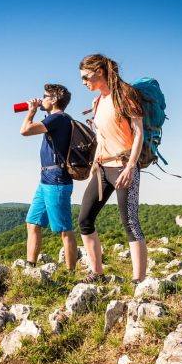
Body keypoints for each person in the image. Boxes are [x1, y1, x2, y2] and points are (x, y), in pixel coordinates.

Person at [77, 53, 147, 284]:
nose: (84, 83)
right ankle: (97, 272)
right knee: (85, 219)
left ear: (99, 70)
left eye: (86, 77)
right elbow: (100, 135)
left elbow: (138, 132)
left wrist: (130, 166)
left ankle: (138, 281)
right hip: (102, 168)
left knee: (130, 222)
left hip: (123, 166)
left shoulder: (125, 95)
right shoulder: (97, 102)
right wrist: (95, 162)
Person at [20, 83, 77, 271]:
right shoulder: (56, 119)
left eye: (44, 96)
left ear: (53, 100)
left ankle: (70, 273)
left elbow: (25, 130)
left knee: (64, 230)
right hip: (46, 179)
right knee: (33, 222)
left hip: (57, 181)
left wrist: (31, 111)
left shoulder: (58, 118)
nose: (41, 98)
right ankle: (30, 267)